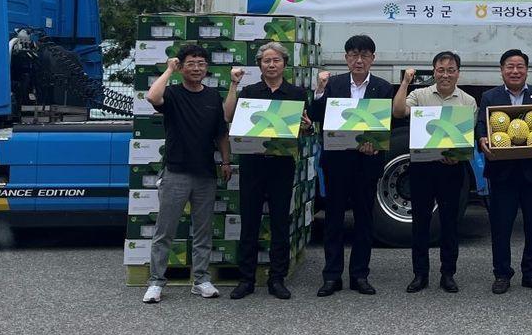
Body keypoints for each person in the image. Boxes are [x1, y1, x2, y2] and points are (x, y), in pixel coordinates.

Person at [304, 34, 394, 297]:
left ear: (372, 59)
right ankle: (331, 276)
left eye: (365, 55)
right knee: (333, 218)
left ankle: (359, 275)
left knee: (364, 219)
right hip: (337, 162)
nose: (359, 60)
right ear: (346, 58)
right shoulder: (333, 84)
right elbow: (316, 117)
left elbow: (383, 125)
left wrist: (375, 144)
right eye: (353, 55)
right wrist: (319, 91)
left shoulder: (383, 87)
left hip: (366, 162)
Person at [141, 45, 231, 304]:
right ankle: (156, 282)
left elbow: (221, 134)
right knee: (165, 230)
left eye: (201, 63)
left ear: (207, 68)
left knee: (202, 231)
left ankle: (200, 279)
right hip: (175, 172)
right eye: (191, 63)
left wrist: (226, 161)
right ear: (182, 66)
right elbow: (151, 97)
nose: (197, 68)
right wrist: (169, 69)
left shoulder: (213, 97)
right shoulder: (172, 93)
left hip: (206, 173)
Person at [223, 42, 307, 301]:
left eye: (276, 60)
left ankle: (277, 278)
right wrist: (234, 85)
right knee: (249, 221)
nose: (271, 65)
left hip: (282, 165)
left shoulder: (296, 94)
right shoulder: (249, 92)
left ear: (284, 64)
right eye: (266, 60)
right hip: (252, 164)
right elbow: (228, 115)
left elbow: (304, 129)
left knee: (281, 222)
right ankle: (246, 279)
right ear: (259, 65)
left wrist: (307, 126)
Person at [476, 48, 532, 295]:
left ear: (526, 70)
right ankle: (502, 274)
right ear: (502, 70)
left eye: (520, 66)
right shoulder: (490, 97)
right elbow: (481, 126)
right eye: (510, 66)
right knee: (501, 226)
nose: (515, 71)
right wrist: (482, 141)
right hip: (502, 172)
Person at [392, 51, 474, 293]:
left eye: (451, 70)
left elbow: (466, 139)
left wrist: (457, 156)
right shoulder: (419, 95)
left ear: (458, 73)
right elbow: (398, 112)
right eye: (441, 70)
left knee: (449, 223)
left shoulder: (467, 101)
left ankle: (448, 274)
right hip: (421, 168)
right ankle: (420, 274)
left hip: (451, 169)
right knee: (421, 223)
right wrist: (406, 82)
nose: (445, 75)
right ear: (434, 71)